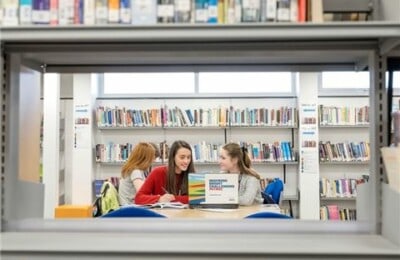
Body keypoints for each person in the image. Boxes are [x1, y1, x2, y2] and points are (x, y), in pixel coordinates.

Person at [135, 140, 194, 205]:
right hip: (161, 213)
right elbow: (139, 198)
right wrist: (159, 199)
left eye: (188, 157)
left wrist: (173, 198)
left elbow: (197, 199)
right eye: (182, 157)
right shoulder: (157, 172)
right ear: (173, 157)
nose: (186, 161)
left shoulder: (193, 175)